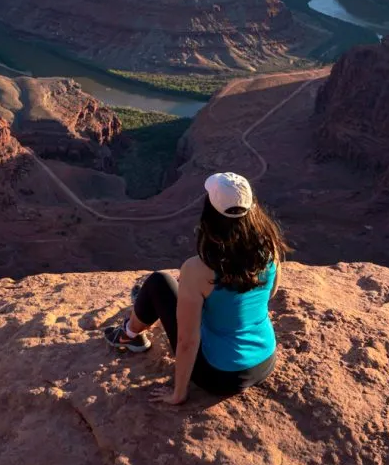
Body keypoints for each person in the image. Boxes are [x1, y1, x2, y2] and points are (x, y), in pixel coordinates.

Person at [103, 172, 287, 405]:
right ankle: (138, 318)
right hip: (265, 361)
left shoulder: (198, 269)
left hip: (221, 377)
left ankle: (129, 334)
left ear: (210, 212)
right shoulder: (269, 247)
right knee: (182, 292)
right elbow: (269, 293)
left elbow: (187, 341)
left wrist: (178, 394)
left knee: (159, 282)